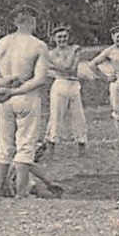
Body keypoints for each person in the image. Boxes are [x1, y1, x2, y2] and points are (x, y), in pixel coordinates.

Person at [0, 7, 51, 198]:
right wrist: (14, 89)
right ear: (33, 21)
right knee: (26, 144)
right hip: (25, 97)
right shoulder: (38, 45)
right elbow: (39, 79)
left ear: (15, 22)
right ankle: (21, 192)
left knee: (4, 144)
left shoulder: (2, 43)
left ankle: (0, 187)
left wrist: (4, 84)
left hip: (4, 98)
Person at [44, 25, 88, 159]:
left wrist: (54, 66)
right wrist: (59, 67)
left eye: (64, 36)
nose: (62, 39)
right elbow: (62, 68)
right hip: (60, 84)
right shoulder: (51, 53)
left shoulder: (75, 48)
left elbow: (71, 67)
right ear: (54, 39)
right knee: (56, 116)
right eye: (59, 37)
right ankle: (51, 148)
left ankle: (81, 146)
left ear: (68, 37)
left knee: (79, 116)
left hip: (74, 84)